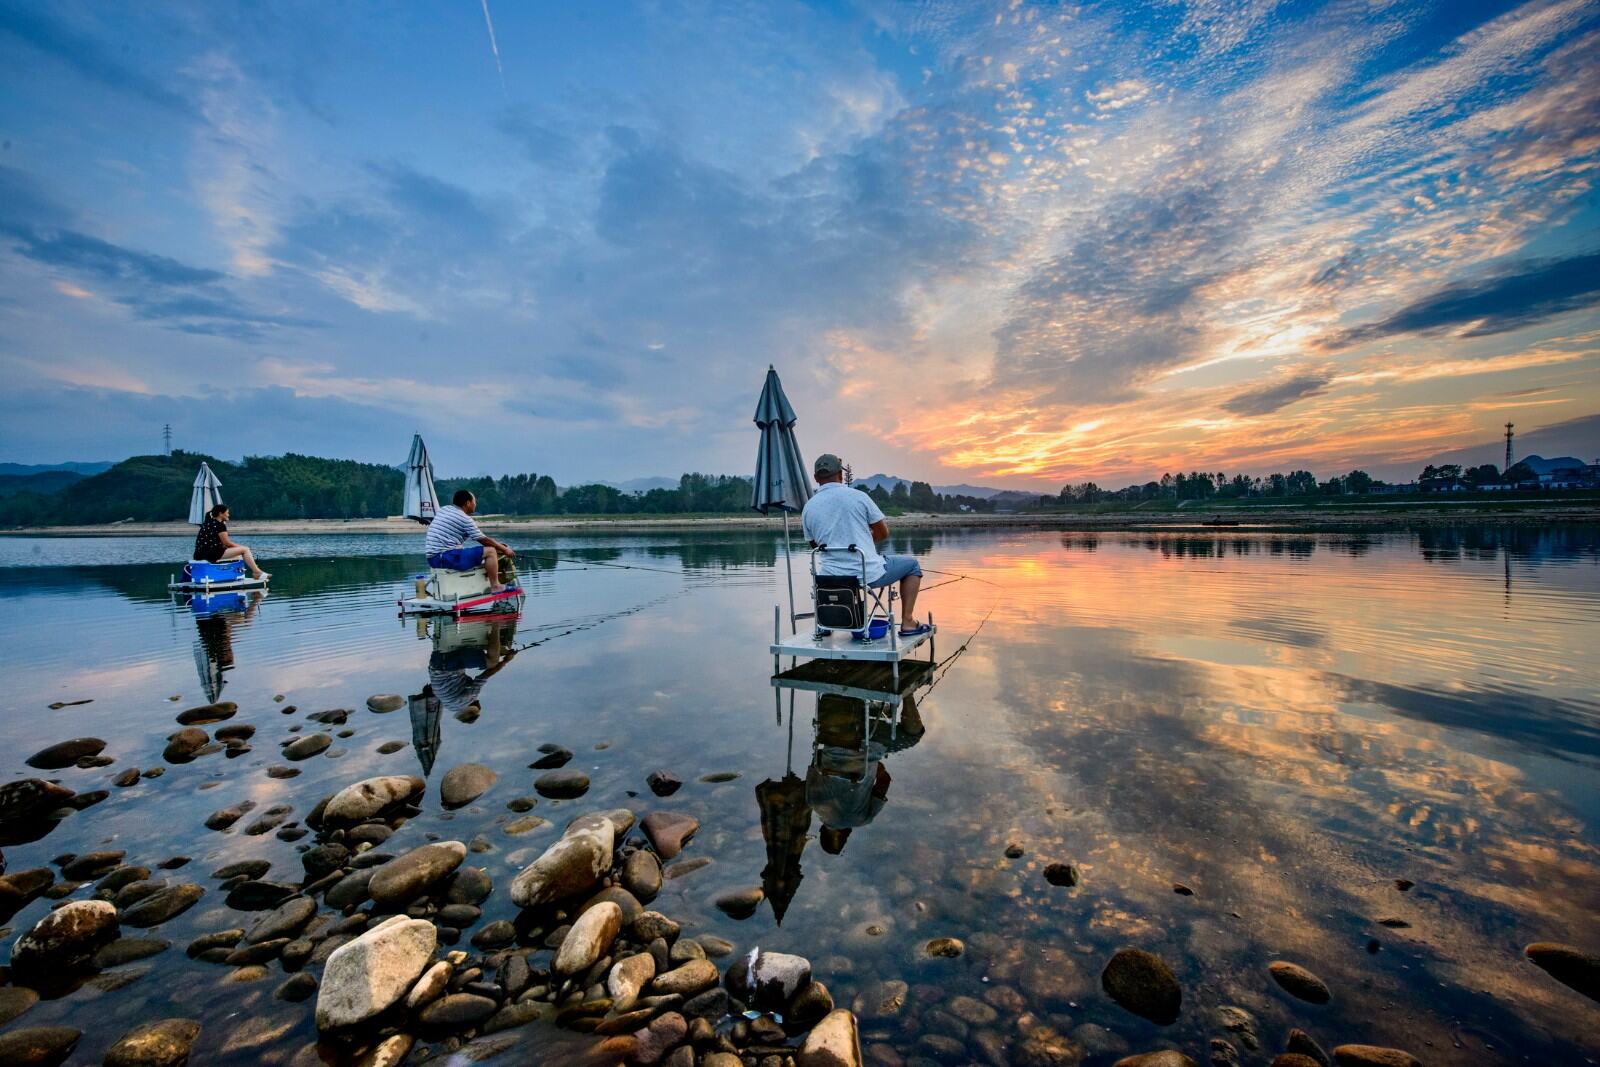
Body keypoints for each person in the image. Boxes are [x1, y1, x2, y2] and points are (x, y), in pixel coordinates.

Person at [800, 453, 929, 636]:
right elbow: (883, 533)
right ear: (841, 475)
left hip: (830, 578)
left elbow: (815, 546)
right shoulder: (859, 497)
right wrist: (864, 542)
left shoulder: (809, 507)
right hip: (867, 573)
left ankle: (827, 623)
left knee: (839, 571)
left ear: (816, 478)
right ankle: (908, 622)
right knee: (912, 565)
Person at [424, 489, 517, 593]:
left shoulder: (444, 509)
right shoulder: (464, 518)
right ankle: (495, 586)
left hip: (434, 558)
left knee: (490, 550)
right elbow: (484, 541)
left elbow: (485, 540)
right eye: (474, 501)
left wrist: (500, 547)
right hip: (444, 558)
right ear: (468, 503)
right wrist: (505, 549)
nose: (475, 504)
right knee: (490, 551)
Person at [193, 504, 269, 580]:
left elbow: (215, 543)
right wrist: (243, 548)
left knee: (239, 554)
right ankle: (256, 572)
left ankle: (233, 573)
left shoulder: (207, 523)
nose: (228, 515)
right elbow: (227, 543)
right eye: (227, 513)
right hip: (211, 554)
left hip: (199, 554)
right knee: (245, 550)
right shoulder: (219, 525)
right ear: (220, 513)